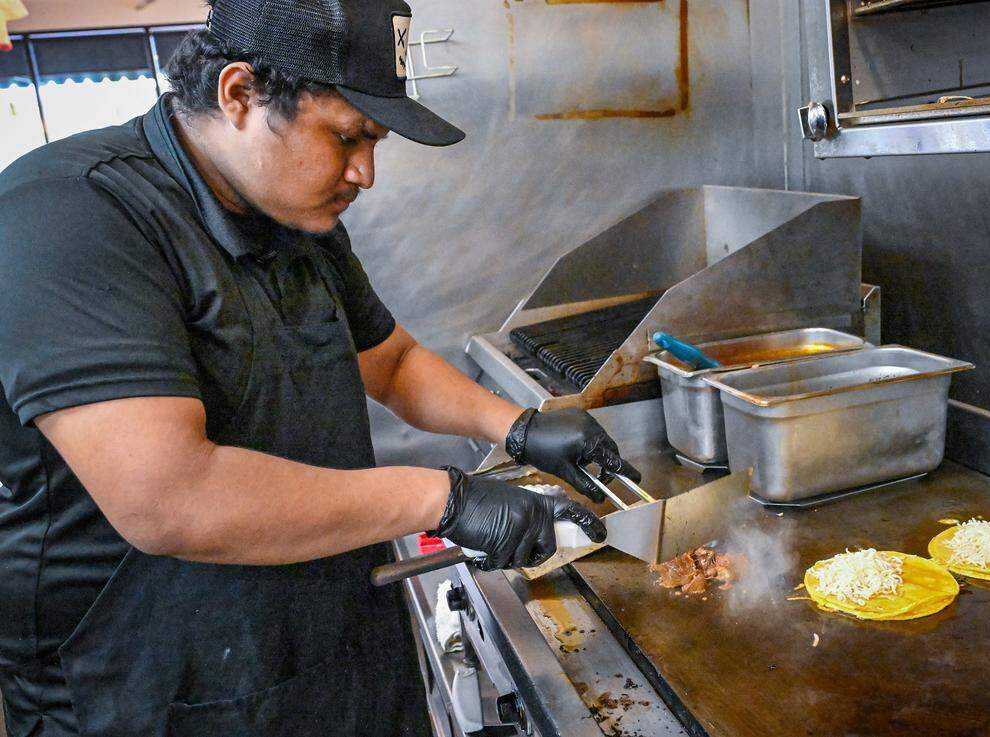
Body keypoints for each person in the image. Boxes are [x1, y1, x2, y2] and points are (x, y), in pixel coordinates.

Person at [0, 1, 640, 735]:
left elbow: (393, 363)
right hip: (158, 696)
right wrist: (446, 500)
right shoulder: (72, 214)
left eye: (375, 142)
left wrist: (520, 426)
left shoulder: (292, 215)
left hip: (338, 665)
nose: (365, 172)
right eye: (346, 137)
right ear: (238, 94)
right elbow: (170, 496)